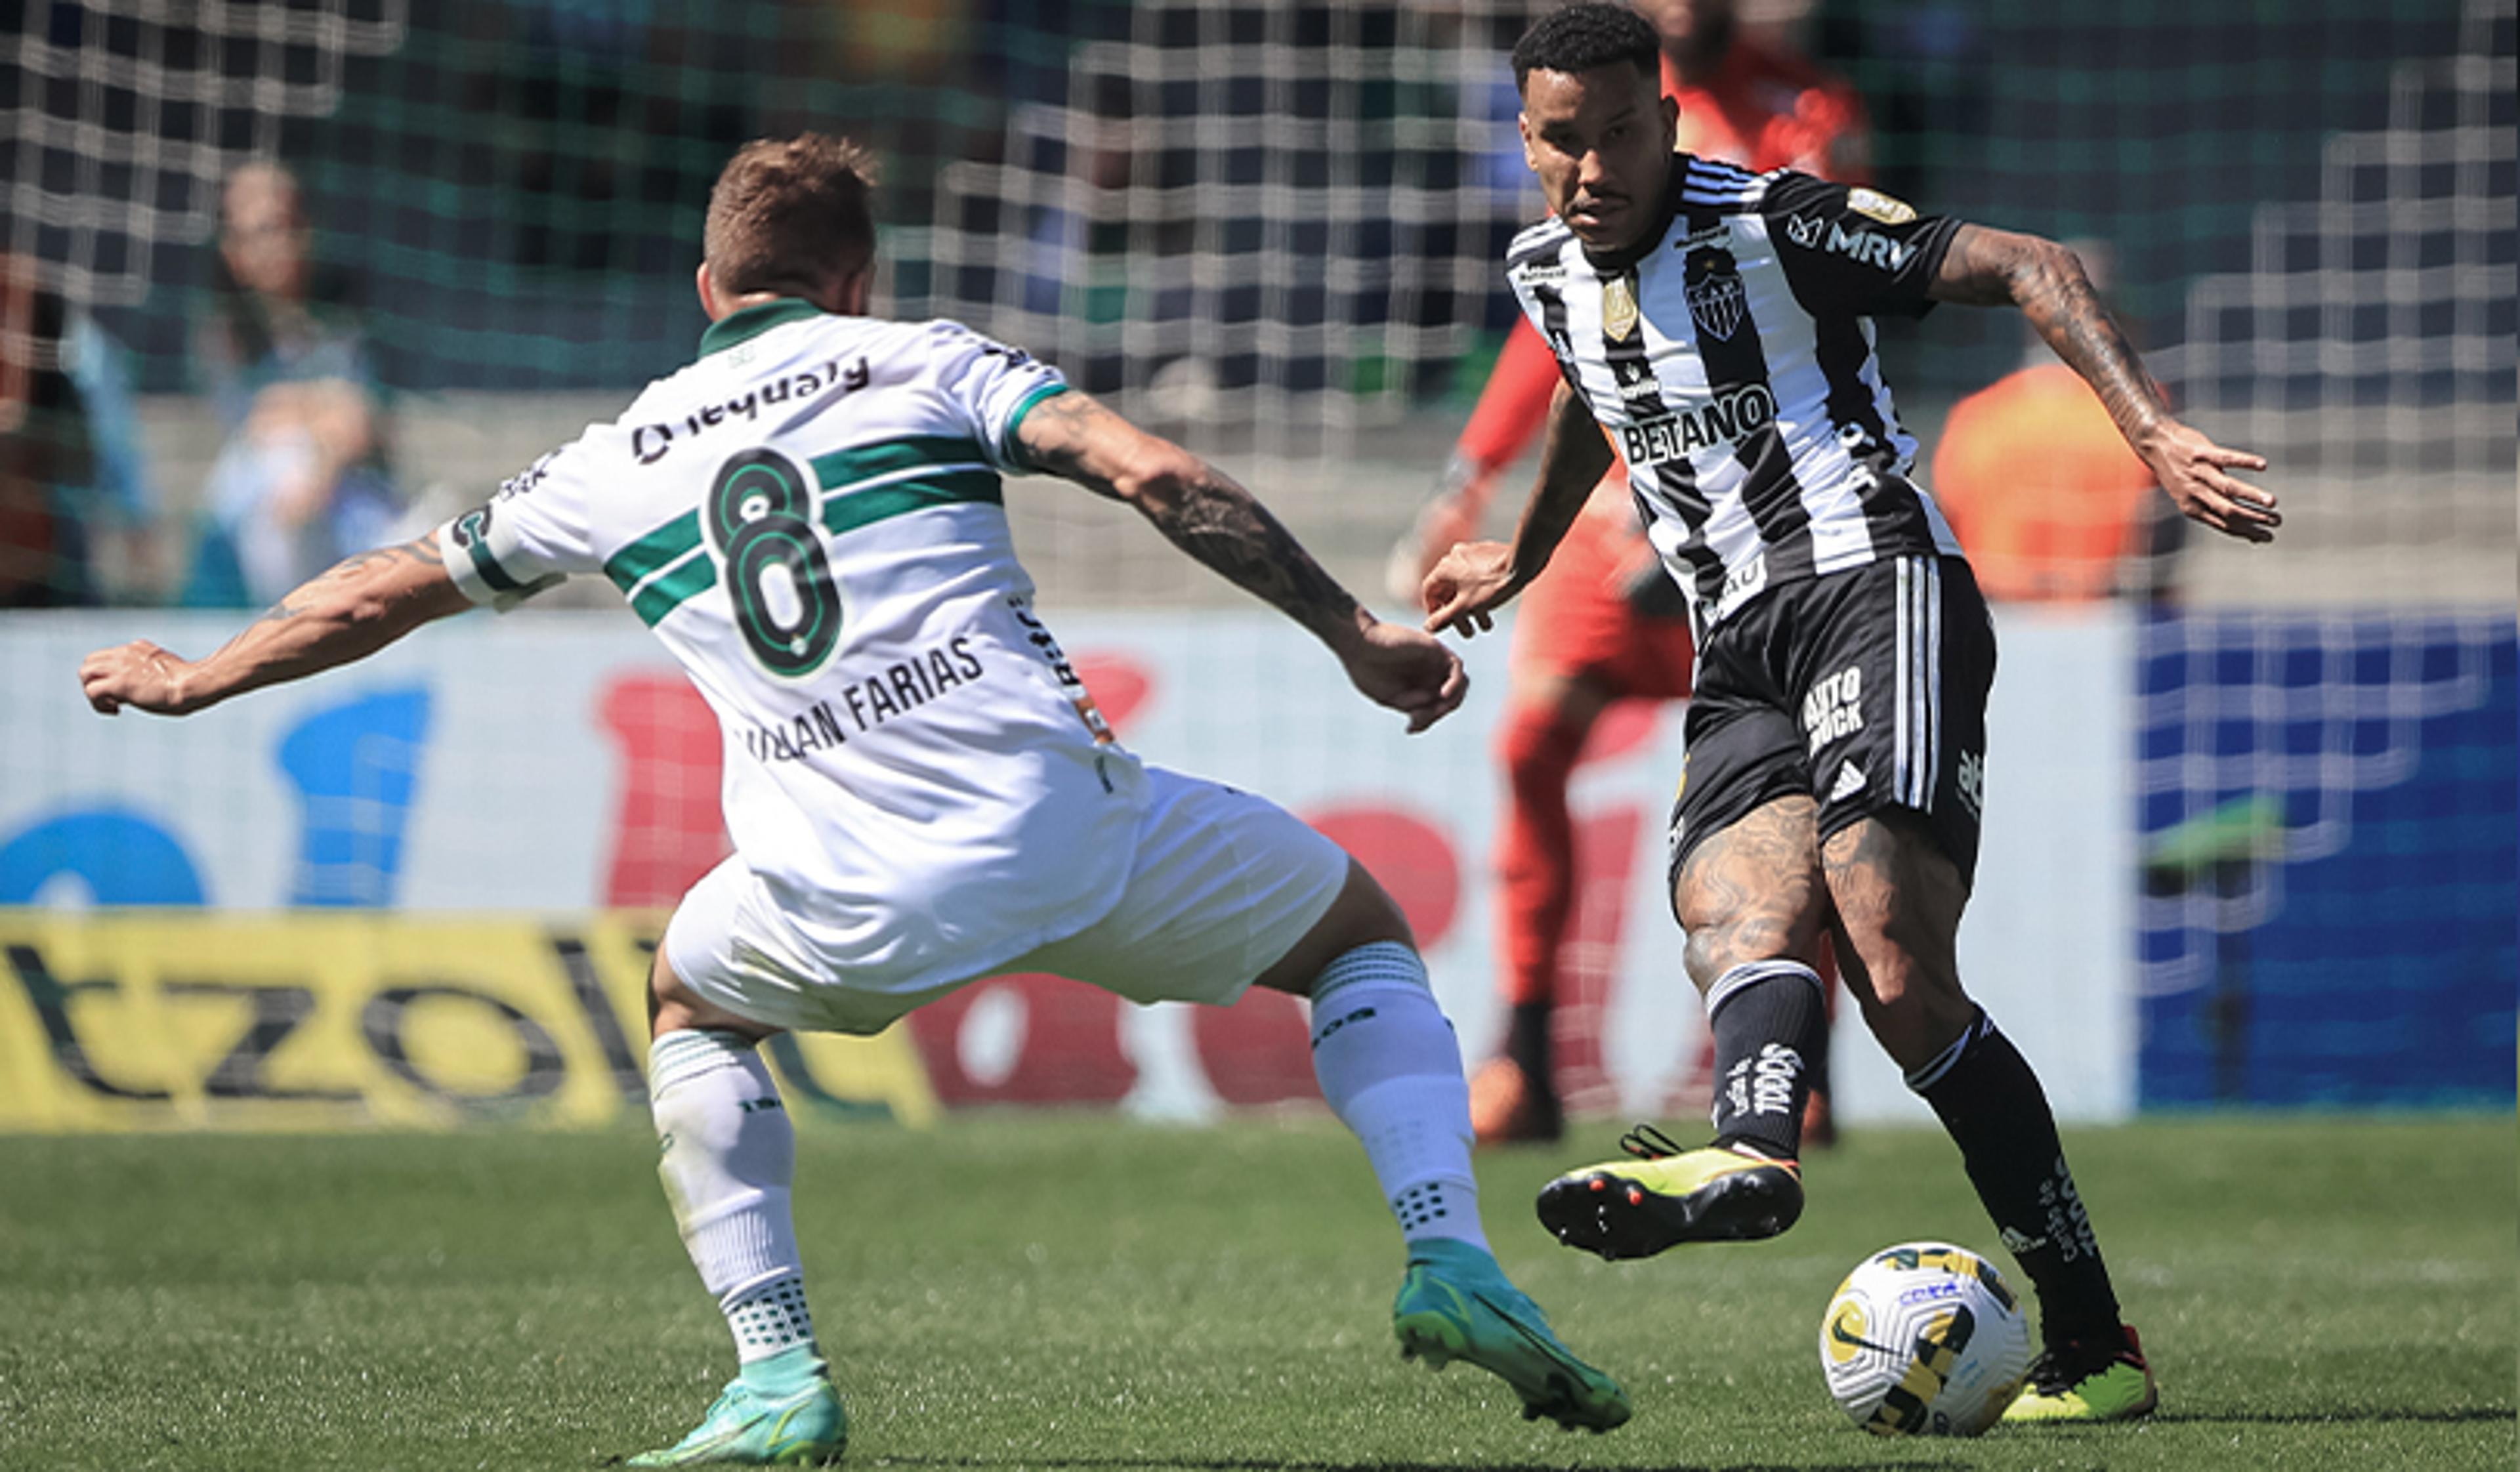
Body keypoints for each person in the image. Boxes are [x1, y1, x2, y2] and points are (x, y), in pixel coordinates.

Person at [80, 133, 1631, 1465]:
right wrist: (1353, 634)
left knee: (689, 993)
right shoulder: (926, 360)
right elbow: (1159, 476)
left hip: (835, 892)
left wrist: (200, 674)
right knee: (1356, 933)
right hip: (1065, 824)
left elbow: (377, 589)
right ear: (858, 282)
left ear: (709, 294)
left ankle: (775, 1371)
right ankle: (1444, 1248)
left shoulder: (611, 460)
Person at [1421, 5, 2277, 1425]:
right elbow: (1599, 389)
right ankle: (1753, 1155)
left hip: (1876, 581)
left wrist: (2151, 427)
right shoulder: (1545, 270)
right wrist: (1521, 550)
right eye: (1562, 139)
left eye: (1620, 133)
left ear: (1669, 124)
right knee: (1733, 911)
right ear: (1525, 138)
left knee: (1886, 944)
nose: (1591, 166)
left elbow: (2028, 263)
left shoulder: (1775, 221)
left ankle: (2095, 1339)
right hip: (1735, 636)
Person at [1393, 0, 1868, 1146]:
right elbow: (1560, 327)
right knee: (1531, 742)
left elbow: (1807, 305)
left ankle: (1804, 1075)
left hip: (1755, 508)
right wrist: (1472, 479)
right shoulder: (1590, 116)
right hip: (1616, 498)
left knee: (1816, 792)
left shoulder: (1807, 114)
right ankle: (1524, 1057)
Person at [188, 160, 400, 608]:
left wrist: (320, 455)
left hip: (343, 499)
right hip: (262, 504)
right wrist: (322, 411)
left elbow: (363, 426)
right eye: (254, 233)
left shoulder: (345, 318)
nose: (272, 247)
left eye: (281, 227)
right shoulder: (220, 334)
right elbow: (257, 422)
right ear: (231, 249)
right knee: (280, 473)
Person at [1933, 243, 2183, 604]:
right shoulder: (2146, 415)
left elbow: (1943, 533)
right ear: (2113, 326)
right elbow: (2163, 548)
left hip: (1991, 625)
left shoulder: (1976, 418)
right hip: (2103, 627)